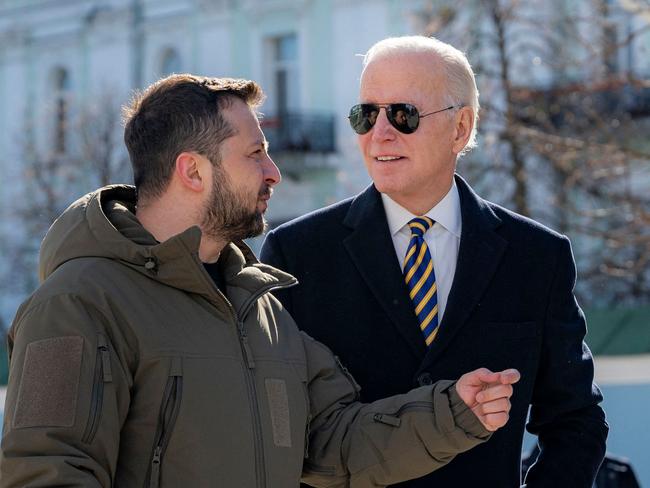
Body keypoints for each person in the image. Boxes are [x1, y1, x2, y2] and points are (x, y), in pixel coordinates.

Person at [0, 74, 519, 487]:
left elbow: (330, 442)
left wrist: (452, 413)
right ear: (193, 171)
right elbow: (47, 471)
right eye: (254, 154)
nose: (273, 171)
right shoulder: (78, 304)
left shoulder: (260, 309)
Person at [261, 36, 608, 487]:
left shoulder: (537, 255)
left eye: (403, 115)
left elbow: (576, 420)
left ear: (460, 127)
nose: (380, 133)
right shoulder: (297, 253)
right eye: (365, 115)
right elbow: (282, 432)